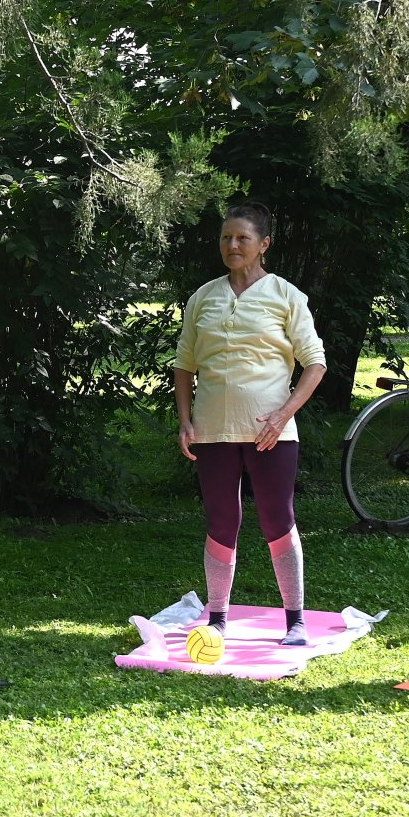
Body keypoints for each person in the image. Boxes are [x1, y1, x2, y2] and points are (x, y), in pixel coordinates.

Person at [171, 201, 327, 646]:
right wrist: (184, 420)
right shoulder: (203, 296)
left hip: (270, 434)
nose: (233, 245)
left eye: (242, 238)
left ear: (264, 245)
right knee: (221, 521)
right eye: (226, 238)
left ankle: (294, 618)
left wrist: (283, 414)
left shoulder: (286, 295)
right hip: (212, 432)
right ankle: (216, 616)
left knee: (278, 519)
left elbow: (315, 364)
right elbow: (184, 364)